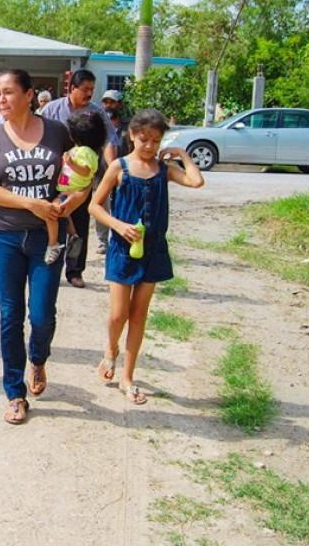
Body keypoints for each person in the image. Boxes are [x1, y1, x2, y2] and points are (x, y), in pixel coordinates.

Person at [0, 69, 89, 424]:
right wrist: (30, 204)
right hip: (6, 236)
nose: (2, 99)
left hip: (47, 239)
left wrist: (71, 201)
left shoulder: (58, 132)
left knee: (41, 315)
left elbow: (82, 175)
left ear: (29, 95)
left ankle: (38, 358)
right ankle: (14, 392)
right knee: (10, 316)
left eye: (8, 92)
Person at [89, 109, 204, 404]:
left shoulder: (163, 170)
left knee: (139, 314)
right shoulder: (119, 167)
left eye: (156, 140)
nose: (150, 146)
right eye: (144, 139)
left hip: (152, 250)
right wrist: (118, 225)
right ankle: (111, 349)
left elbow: (196, 181)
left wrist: (181, 154)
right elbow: (95, 206)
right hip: (122, 250)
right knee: (119, 314)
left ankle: (127, 377)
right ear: (131, 135)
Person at [39, 69, 118, 288]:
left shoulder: (97, 113)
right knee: (51, 217)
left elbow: (110, 140)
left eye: (92, 90)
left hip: (83, 179)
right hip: (56, 175)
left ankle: (75, 271)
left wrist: (113, 169)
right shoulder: (51, 109)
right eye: (85, 89)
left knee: (80, 224)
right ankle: (45, 268)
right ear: (71, 89)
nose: (89, 94)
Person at [43, 108, 108, 264]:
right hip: (69, 188)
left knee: (51, 212)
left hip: (72, 189)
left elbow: (86, 171)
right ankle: (72, 235)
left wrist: (71, 163)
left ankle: (53, 244)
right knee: (65, 214)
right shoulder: (83, 149)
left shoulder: (85, 151)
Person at [95, 89, 130, 255]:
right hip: (101, 174)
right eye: (106, 102)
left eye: (112, 102)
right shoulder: (97, 125)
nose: (108, 105)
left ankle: (120, 238)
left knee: (121, 205)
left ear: (120, 104)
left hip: (124, 175)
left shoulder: (129, 127)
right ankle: (102, 241)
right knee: (101, 206)